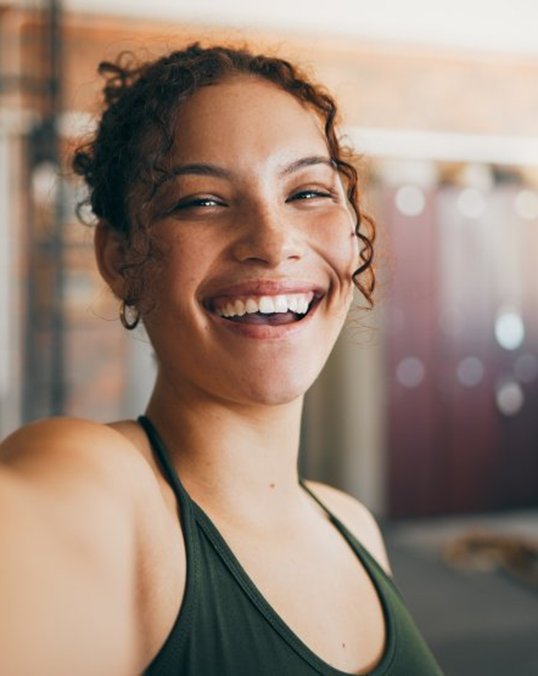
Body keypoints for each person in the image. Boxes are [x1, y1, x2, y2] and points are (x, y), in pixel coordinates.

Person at [0, 43, 443, 675]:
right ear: (121, 259)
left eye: (309, 191)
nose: (272, 242)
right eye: (201, 201)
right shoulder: (96, 488)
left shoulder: (352, 524)